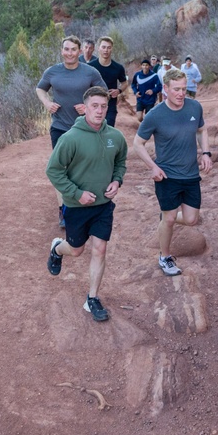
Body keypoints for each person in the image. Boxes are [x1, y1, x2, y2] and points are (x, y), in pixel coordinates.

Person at [46, 87, 127, 322]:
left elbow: (120, 162)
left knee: (100, 249)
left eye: (104, 106)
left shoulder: (116, 137)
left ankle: (92, 298)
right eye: (95, 106)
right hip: (77, 206)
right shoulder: (70, 138)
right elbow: (53, 171)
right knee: (77, 250)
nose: (100, 111)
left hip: (103, 205)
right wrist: (76, 193)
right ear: (85, 108)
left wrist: (117, 180)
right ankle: (57, 248)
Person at [132, 68, 212, 276]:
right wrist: (153, 166)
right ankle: (164, 257)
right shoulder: (155, 115)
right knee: (168, 219)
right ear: (165, 89)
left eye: (184, 89)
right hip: (166, 176)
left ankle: (166, 217)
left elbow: (202, 130)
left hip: (191, 174)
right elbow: (138, 143)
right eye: (176, 89)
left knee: (192, 219)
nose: (181, 93)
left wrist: (206, 153)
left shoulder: (195, 107)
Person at [36, 36, 106, 227]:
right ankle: (63, 210)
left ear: (80, 51)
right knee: (61, 169)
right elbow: (40, 89)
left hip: (86, 128)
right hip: (60, 128)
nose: (69, 53)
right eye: (66, 49)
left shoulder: (90, 72)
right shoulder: (52, 72)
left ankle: (86, 206)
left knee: (84, 168)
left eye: (73, 50)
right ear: (61, 51)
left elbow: (104, 92)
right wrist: (47, 103)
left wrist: (89, 107)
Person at [88, 36, 128, 127]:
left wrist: (119, 91)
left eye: (109, 47)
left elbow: (125, 83)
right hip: (93, 105)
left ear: (112, 49)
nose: (106, 50)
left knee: (107, 130)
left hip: (110, 105)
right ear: (98, 48)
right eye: (103, 47)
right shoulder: (90, 67)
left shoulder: (118, 67)